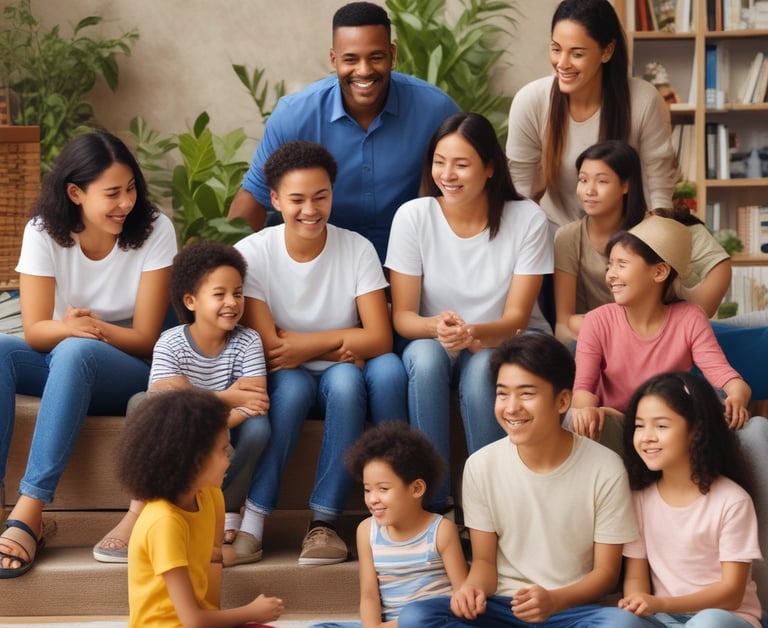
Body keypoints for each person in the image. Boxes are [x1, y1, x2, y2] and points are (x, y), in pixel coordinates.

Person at [0, 132, 177, 578]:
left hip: (133, 368)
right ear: (75, 193)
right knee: (2, 350)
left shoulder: (155, 229)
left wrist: (90, 330)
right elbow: (38, 331)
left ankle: (29, 512)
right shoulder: (43, 231)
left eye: (131, 188)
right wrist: (67, 329)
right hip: (67, 362)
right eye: (112, 193)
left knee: (75, 350)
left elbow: (146, 338)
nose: (126, 203)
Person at [567, 214, 768, 605]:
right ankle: (589, 576)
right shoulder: (599, 321)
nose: (610, 275)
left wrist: (739, 395)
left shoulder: (687, 317)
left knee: (758, 432)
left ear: (659, 272)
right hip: (617, 429)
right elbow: (582, 392)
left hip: (673, 431)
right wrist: (592, 410)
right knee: (573, 422)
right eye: (609, 265)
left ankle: (755, 571)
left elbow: (726, 376)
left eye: (621, 265)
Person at [396, 333, 645, 627]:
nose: (511, 407)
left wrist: (554, 601)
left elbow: (605, 574)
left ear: (563, 400)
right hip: (505, 607)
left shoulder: (605, 468)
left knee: (623, 624)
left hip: (570, 610)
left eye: (526, 394)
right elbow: (485, 564)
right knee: (417, 616)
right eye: (502, 394)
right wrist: (471, 589)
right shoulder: (480, 466)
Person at [235, 140, 408, 566]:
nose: (309, 209)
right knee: (291, 392)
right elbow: (271, 348)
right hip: (288, 372)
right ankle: (253, 521)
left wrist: (306, 344)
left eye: (321, 196)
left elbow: (380, 338)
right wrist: (344, 342)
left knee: (349, 384)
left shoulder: (356, 248)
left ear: (332, 193)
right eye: (296, 199)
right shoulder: (254, 252)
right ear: (275, 199)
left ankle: (324, 523)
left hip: (337, 371)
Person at [385, 111, 552, 514]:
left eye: (461, 164)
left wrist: (472, 333)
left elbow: (516, 318)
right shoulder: (414, 216)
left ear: (490, 167)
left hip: (510, 338)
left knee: (483, 371)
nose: (448, 174)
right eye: (440, 162)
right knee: (423, 361)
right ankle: (433, 506)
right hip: (435, 340)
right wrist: (437, 327)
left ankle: (488, 507)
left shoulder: (526, 218)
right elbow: (403, 316)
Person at [228, 1, 459, 260]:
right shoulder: (294, 116)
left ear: (392, 55)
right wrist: (236, 278)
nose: (363, 70)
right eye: (350, 59)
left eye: (376, 57)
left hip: (412, 263)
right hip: (322, 264)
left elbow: (473, 188)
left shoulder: (436, 110)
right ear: (333, 59)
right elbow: (250, 204)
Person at [93, 241, 271, 566]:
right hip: (177, 438)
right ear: (191, 301)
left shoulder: (248, 340)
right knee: (141, 403)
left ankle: (228, 507)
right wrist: (225, 398)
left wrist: (193, 400)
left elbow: (256, 403)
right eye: (219, 294)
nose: (232, 302)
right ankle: (139, 509)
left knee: (259, 427)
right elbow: (159, 407)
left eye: (238, 293)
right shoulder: (171, 342)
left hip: (224, 441)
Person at [506, 0, 677, 231]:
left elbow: (658, 189)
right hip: (554, 235)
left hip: (627, 240)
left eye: (577, 53)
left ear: (607, 51)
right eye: (556, 49)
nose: (562, 64)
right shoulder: (530, 101)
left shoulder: (643, 100)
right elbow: (520, 190)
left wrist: (655, 244)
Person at [118, 389, 284, 627]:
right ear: (189, 459)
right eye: (222, 451)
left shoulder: (212, 497)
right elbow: (193, 620)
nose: (228, 459)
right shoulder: (164, 522)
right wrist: (250, 612)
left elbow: (213, 565)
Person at [619, 372, 763, 628]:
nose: (646, 436)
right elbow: (635, 578)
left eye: (661, 426)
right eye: (640, 425)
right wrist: (636, 603)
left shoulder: (732, 501)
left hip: (726, 617)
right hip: (663, 618)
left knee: (707, 623)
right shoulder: (639, 497)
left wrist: (661, 604)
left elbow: (731, 593)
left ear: (697, 429)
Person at [554, 141, 731, 344]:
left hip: (662, 337)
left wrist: (696, 312)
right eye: (583, 180)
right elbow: (565, 321)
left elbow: (719, 264)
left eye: (602, 181)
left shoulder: (658, 229)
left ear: (625, 185)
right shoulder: (568, 238)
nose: (589, 190)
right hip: (598, 339)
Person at [310, 421, 468, 628]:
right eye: (367, 489)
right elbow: (369, 596)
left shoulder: (441, 530)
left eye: (383, 489)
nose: (372, 499)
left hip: (429, 623)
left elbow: (462, 595)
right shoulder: (366, 531)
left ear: (416, 488)